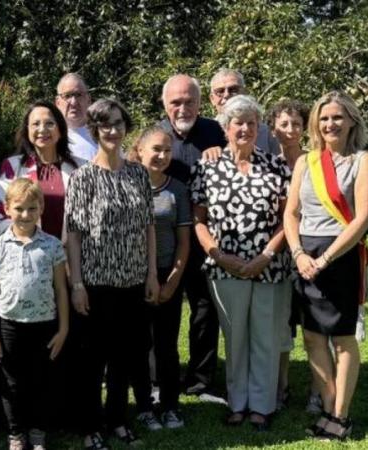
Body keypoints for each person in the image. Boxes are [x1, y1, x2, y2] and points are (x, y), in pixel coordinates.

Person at [190, 95, 291, 431]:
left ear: (258, 127)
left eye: (251, 122)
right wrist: (218, 255)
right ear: (225, 128)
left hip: (269, 266)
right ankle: (238, 403)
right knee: (235, 338)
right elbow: (198, 220)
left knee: (265, 335)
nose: (244, 128)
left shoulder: (276, 165)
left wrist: (266, 256)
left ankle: (262, 406)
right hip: (224, 266)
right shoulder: (207, 166)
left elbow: (287, 220)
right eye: (238, 122)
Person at [66, 99, 159, 450]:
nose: (113, 130)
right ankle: (91, 426)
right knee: (93, 360)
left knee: (125, 356)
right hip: (95, 283)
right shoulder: (83, 177)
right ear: (94, 129)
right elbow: (72, 234)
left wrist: (151, 274)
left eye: (119, 123)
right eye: (105, 124)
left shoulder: (137, 173)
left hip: (133, 282)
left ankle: (118, 419)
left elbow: (148, 226)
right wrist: (77, 284)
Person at [284, 91, 368, 441]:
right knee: (311, 336)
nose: (330, 124)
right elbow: (291, 213)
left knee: (341, 338)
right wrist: (298, 254)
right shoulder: (306, 162)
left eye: (337, 117)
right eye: (324, 118)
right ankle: (327, 405)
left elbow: (363, 217)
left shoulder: (362, 160)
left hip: (340, 255)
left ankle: (341, 415)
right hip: (304, 256)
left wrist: (324, 258)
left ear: (351, 120)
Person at [0, 178, 70, 450]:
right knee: (13, 384)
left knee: (41, 382)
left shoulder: (52, 245)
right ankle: (16, 434)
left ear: (41, 208)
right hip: (10, 326)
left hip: (45, 326)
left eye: (32, 209)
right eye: (19, 208)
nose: (25, 215)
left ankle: (37, 432)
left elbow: (60, 290)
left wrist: (63, 329)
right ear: (7, 208)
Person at [159, 74, 226, 400]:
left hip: (204, 238)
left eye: (189, 101)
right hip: (164, 240)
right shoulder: (156, 136)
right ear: (165, 104)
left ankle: (201, 381)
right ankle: (160, 379)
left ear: (200, 103)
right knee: (162, 310)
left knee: (204, 310)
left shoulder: (217, 131)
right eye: (176, 102)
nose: (182, 108)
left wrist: (222, 154)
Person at [127, 126, 191, 430]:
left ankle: (170, 406)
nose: (162, 156)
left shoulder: (177, 189)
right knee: (139, 343)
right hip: (132, 276)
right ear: (140, 150)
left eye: (167, 150)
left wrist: (172, 282)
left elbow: (184, 242)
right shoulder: (125, 185)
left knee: (166, 345)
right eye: (156, 149)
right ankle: (143, 406)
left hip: (168, 275)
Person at [264, 98, 316, 412]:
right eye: (284, 124)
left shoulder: (313, 162)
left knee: (313, 324)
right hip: (277, 255)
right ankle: (281, 387)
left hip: (308, 250)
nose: (290, 130)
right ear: (273, 128)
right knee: (281, 325)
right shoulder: (265, 162)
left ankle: (316, 389)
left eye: (296, 124)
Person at [0, 100, 83, 240]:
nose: (42, 130)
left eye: (49, 123)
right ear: (27, 130)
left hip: (71, 255)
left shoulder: (80, 168)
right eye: (36, 124)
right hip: (27, 253)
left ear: (60, 130)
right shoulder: (13, 167)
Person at [208, 68, 279, 155]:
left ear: (245, 93)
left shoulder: (266, 133)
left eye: (233, 89)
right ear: (212, 99)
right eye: (220, 91)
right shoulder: (206, 132)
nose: (226, 95)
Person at [55, 73, 96, 160]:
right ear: (57, 103)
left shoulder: (104, 135)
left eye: (78, 95)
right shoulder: (49, 138)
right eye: (67, 96)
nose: (73, 102)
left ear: (88, 100)